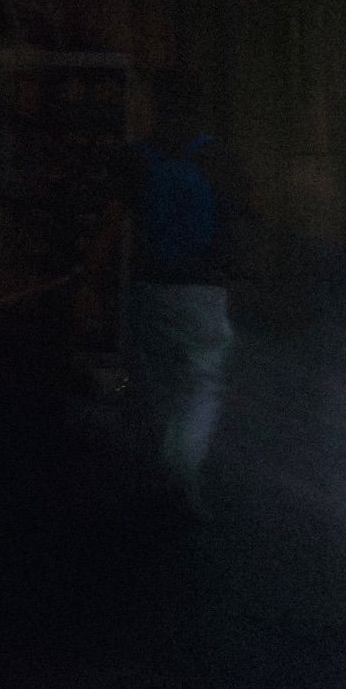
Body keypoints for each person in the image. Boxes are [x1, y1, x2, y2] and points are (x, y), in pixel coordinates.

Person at [81, 69, 236, 518]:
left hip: (150, 288)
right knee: (202, 386)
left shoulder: (135, 158)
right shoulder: (218, 158)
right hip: (205, 291)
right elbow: (231, 228)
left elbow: (109, 229)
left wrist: (89, 286)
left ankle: (163, 473)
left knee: (158, 387)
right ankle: (181, 474)